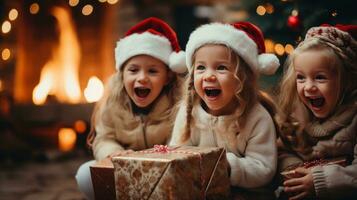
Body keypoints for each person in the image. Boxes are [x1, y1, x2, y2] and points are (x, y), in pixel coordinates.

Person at [75, 17, 186, 200]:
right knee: (85, 173)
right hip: (126, 169)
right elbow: (104, 138)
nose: (142, 78)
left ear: (167, 77)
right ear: (122, 75)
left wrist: (159, 159)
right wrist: (113, 153)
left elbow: (182, 143)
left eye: (152, 71)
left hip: (164, 172)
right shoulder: (113, 102)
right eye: (133, 70)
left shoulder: (178, 104)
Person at [169, 21, 280, 188]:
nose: (208, 76)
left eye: (221, 68)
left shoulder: (256, 117)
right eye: (201, 67)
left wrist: (228, 167)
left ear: (242, 78)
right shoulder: (188, 113)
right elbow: (176, 153)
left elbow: (263, 168)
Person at [276, 24, 357, 200]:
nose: (308, 87)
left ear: (347, 80)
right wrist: (297, 171)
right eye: (301, 77)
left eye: (320, 77)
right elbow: (282, 151)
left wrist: (321, 179)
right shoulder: (297, 115)